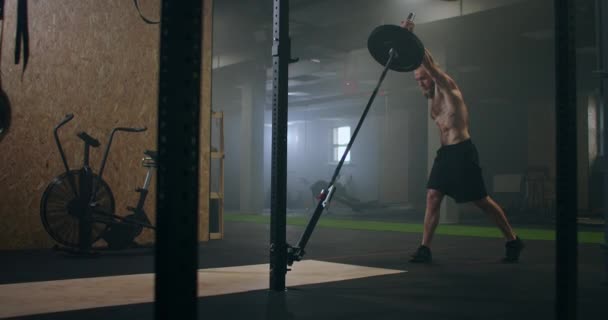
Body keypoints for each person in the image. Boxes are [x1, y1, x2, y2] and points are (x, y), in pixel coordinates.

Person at [400, 19, 524, 263]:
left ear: (433, 77)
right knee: (433, 196)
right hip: (445, 154)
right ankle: (425, 248)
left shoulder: (448, 89)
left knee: (481, 201)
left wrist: (410, 38)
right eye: (417, 81)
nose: (421, 83)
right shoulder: (431, 100)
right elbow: (425, 67)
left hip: (463, 152)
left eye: (423, 79)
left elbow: (431, 64)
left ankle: (513, 239)